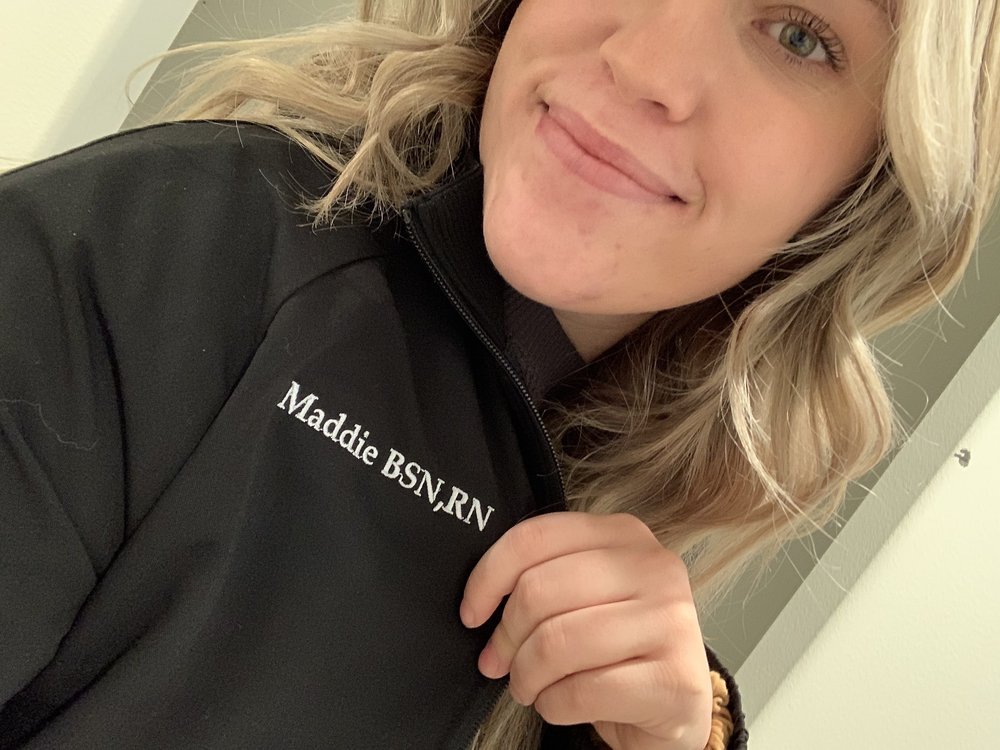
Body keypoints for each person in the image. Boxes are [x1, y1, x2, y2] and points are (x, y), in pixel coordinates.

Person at [1, 0, 997, 748]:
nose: (644, 61)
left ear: (868, 185)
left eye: (797, 35)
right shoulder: (160, 253)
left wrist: (688, 732)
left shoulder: (660, 484)